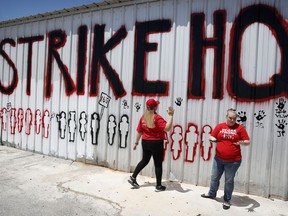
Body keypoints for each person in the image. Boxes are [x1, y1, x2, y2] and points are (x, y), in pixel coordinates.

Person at [201, 108, 250, 210]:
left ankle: (227, 199)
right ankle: (212, 193)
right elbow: (212, 136)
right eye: (230, 118)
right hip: (218, 159)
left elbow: (247, 141)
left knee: (228, 181)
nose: (232, 120)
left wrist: (240, 142)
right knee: (214, 177)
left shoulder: (240, 128)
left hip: (233, 161)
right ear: (226, 117)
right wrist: (212, 139)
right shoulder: (220, 126)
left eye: (234, 119)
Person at [128, 98, 174, 192]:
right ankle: (158, 186)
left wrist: (136, 142)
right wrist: (170, 116)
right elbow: (167, 128)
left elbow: (139, 131)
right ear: (155, 107)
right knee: (158, 164)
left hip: (145, 142)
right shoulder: (157, 118)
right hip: (156, 143)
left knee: (145, 160)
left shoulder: (143, 117)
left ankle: (133, 177)